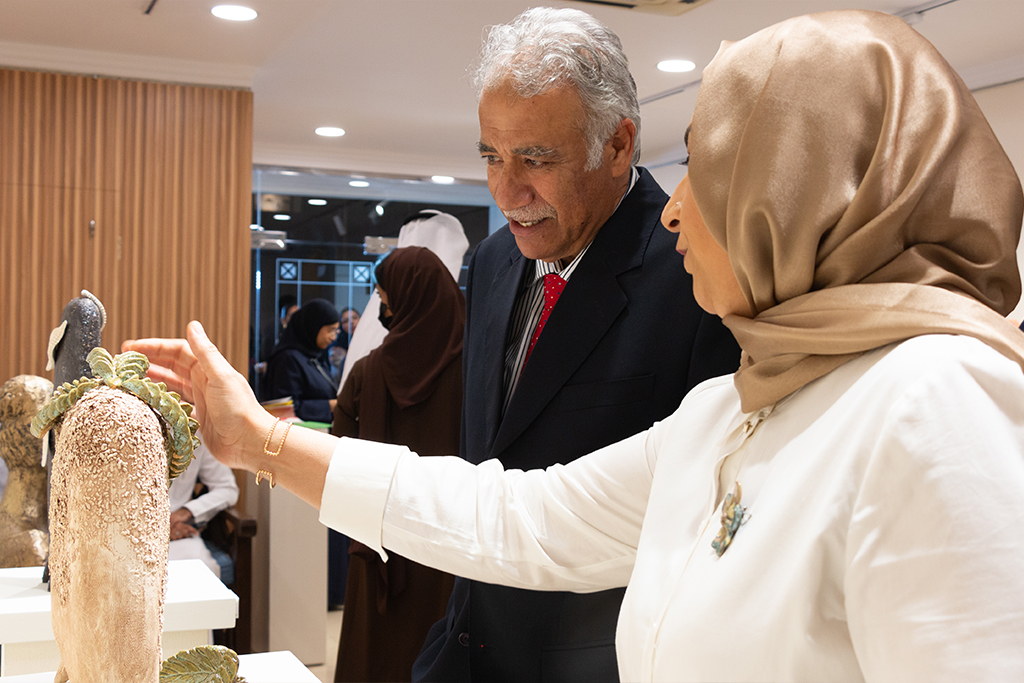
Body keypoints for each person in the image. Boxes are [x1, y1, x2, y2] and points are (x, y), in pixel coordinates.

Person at [127, 9, 1024, 681]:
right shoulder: (733, 410)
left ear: (805, 201)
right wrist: (261, 442)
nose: (674, 208)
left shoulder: (936, 399)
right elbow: (517, 516)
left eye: (709, 174)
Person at [422, 9, 741, 681]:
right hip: (466, 649)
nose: (507, 191)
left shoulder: (698, 273)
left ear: (619, 144)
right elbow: (485, 457)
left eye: (536, 160)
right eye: (491, 157)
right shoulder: (492, 261)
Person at [332, 247, 464, 682]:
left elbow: (337, 454)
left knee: (375, 655)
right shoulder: (478, 373)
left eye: (385, 298)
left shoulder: (367, 373)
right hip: (453, 538)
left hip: (380, 540)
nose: (383, 308)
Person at [168, 437, 239, 580]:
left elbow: (227, 489)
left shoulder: (200, 434)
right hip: (127, 536)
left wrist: (188, 512)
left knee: (200, 577)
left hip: (178, 536)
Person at [262, 298, 340, 423]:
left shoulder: (315, 356)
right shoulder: (287, 358)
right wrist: (330, 406)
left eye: (336, 331)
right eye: (330, 330)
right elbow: (286, 407)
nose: (333, 337)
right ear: (313, 326)